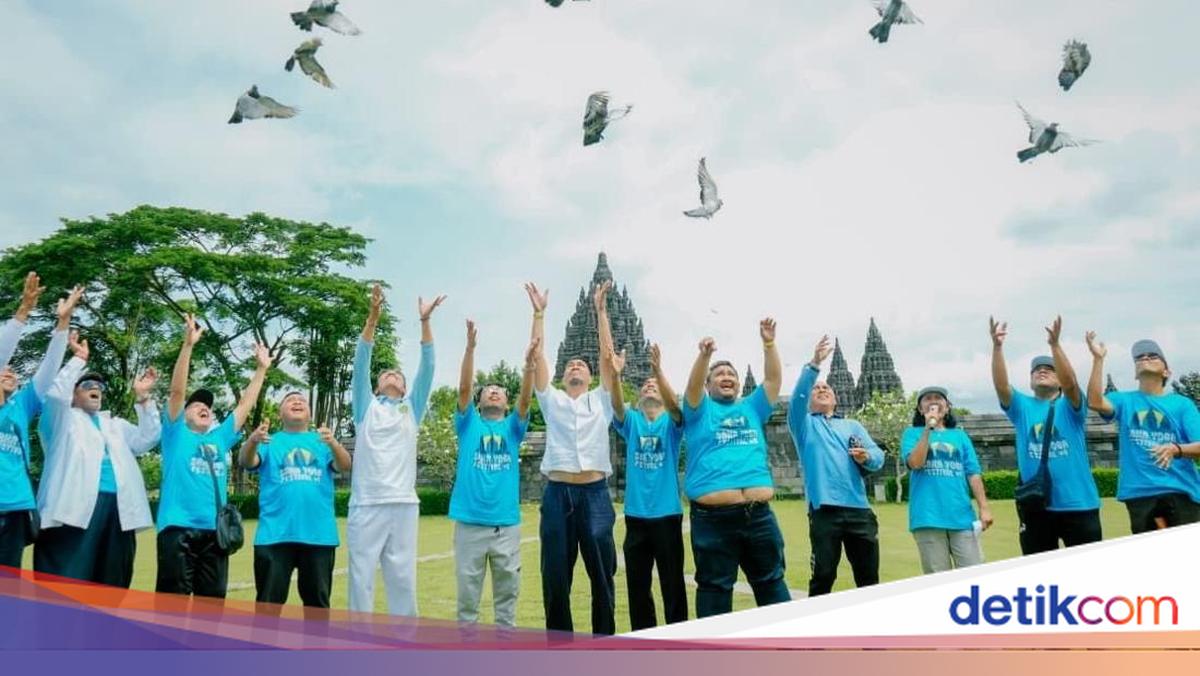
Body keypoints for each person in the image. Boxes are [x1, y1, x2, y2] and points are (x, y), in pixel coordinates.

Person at [155, 313, 272, 597]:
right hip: (178, 529)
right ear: (183, 415)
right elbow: (177, 391)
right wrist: (187, 346)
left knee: (212, 605)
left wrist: (261, 369)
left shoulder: (219, 438)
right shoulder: (175, 434)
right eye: (196, 406)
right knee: (173, 606)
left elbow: (245, 404)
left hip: (215, 533)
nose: (205, 407)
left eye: (208, 407)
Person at [525, 281, 617, 635]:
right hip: (558, 494)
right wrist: (539, 313)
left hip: (595, 494)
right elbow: (537, 356)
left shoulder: (602, 400)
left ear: (591, 377)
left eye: (582, 364)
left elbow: (608, 358)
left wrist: (600, 311)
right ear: (563, 378)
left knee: (602, 575)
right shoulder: (553, 401)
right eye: (571, 365)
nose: (576, 366)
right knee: (556, 577)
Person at [35, 332, 161, 586]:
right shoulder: (61, 421)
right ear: (73, 395)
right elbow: (56, 395)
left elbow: (148, 438)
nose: (95, 389)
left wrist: (143, 398)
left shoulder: (115, 425)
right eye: (86, 386)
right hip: (73, 512)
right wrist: (78, 360)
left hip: (119, 512)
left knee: (111, 580)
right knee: (67, 581)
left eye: (99, 387)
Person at [347, 284, 443, 615]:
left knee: (402, 579)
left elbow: (427, 369)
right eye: (388, 373)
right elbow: (361, 362)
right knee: (360, 579)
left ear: (404, 388)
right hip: (367, 503)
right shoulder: (365, 407)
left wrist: (425, 322)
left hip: (403, 504)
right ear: (376, 385)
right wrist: (373, 318)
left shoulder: (411, 408)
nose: (394, 376)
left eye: (399, 376)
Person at [682, 320, 787, 618]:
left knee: (772, 584)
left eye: (731, 374)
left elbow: (772, 381)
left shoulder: (751, 407)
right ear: (708, 384)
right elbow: (691, 389)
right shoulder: (699, 410)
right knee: (715, 589)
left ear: (739, 384)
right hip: (713, 519)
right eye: (719, 374)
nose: (726, 377)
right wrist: (704, 357)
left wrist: (769, 344)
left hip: (759, 515)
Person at [598, 281, 687, 629]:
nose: (649, 386)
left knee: (672, 585)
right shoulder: (632, 422)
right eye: (645, 385)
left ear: (663, 397)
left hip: (667, 515)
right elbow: (617, 405)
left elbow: (680, 410)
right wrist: (617, 376)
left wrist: (659, 372)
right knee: (638, 586)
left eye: (655, 387)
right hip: (636, 517)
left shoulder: (672, 424)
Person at [448, 320, 537, 627]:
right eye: (488, 391)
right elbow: (463, 388)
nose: (494, 393)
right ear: (479, 400)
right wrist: (471, 348)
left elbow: (526, 401)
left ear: (506, 402)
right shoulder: (468, 424)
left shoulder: (513, 429)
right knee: (467, 602)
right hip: (470, 525)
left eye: (500, 391)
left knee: (506, 600)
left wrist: (528, 367)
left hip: (505, 526)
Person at [989, 316, 1100, 554]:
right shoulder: (1022, 407)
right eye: (1037, 370)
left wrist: (1055, 346)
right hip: (1036, 506)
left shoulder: (1070, 406)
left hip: (1078, 504)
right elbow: (1001, 386)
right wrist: (997, 348)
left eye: (1049, 369)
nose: (1041, 371)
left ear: (1059, 380)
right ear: (1030, 381)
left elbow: (1071, 384)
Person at [787, 334, 884, 596]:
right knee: (823, 575)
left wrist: (867, 457)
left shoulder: (852, 426)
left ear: (836, 398)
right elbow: (796, 399)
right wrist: (814, 365)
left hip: (859, 510)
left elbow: (878, 456)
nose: (821, 390)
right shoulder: (804, 425)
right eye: (816, 389)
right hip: (824, 511)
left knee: (868, 577)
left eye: (826, 388)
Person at [240, 392, 351, 611]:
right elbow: (246, 460)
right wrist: (253, 440)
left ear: (309, 414)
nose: (297, 402)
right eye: (290, 400)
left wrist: (334, 443)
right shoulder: (269, 442)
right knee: (268, 606)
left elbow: (345, 465)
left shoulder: (322, 442)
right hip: (274, 535)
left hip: (318, 535)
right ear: (280, 413)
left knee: (317, 606)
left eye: (302, 400)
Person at [1085, 332, 1200, 532]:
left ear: (1167, 372)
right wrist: (1098, 360)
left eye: (1152, 356)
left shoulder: (1181, 404)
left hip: (1180, 492)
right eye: (1139, 358)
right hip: (1140, 495)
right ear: (1135, 373)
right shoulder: (1123, 400)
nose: (1144, 358)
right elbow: (1095, 401)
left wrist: (1175, 449)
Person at [0, 281, 79, 568]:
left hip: (17, 504)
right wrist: (24, 310)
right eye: (4, 369)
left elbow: (49, 369)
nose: (8, 371)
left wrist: (63, 321)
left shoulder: (21, 404)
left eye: (12, 371)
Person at [901, 386, 993, 574]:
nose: (933, 402)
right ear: (920, 409)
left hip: (962, 517)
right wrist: (928, 428)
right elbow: (916, 463)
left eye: (938, 398)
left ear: (947, 406)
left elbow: (973, 473)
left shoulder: (959, 436)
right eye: (927, 399)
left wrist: (984, 508)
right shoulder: (911, 434)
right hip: (928, 517)